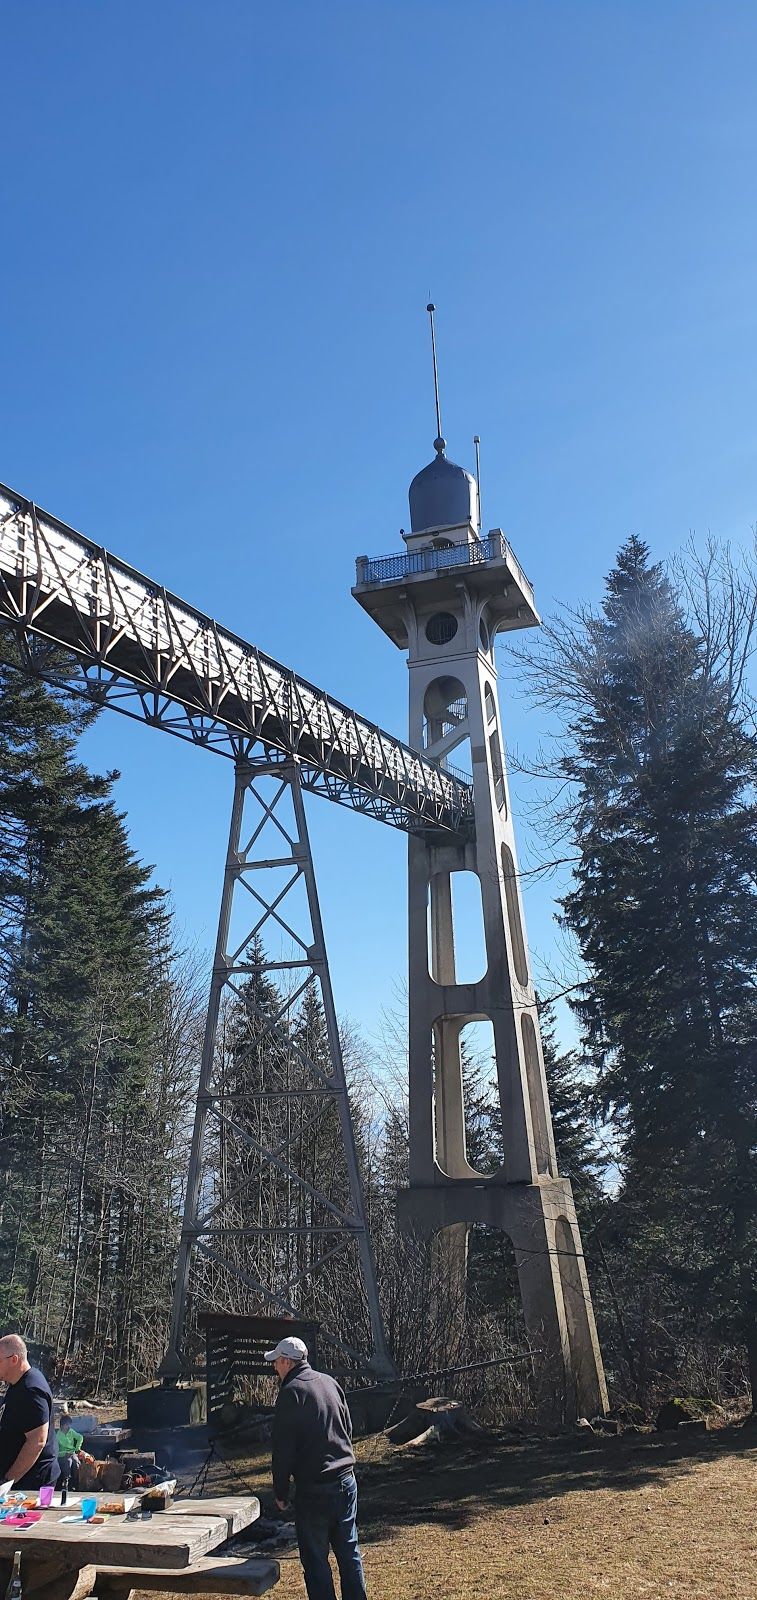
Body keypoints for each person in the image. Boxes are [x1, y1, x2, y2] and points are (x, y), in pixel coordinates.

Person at [266, 1335, 367, 1600]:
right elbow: (347, 1428)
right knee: (349, 1552)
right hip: (346, 1480)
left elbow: (283, 1450)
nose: (274, 1367)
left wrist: (280, 1492)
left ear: (287, 1362)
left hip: (314, 1489)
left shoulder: (291, 1392)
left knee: (315, 1560)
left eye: (276, 1361)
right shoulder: (330, 1382)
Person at [0, 1334, 59, 1489]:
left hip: (31, 1483)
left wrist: (7, 1481)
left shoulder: (31, 1390)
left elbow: (37, 1441)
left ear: (14, 1359)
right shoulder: (17, 1384)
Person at [55, 1409, 83, 1490]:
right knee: (68, 1462)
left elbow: (80, 1437)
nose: (68, 1426)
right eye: (67, 1424)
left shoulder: (71, 1431)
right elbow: (56, 1452)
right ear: (62, 1425)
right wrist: (64, 1453)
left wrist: (77, 1448)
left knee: (76, 1461)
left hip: (72, 1453)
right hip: (62, 1455)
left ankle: (76, 1482)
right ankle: (66, 1481)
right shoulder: (57, 1436)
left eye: (69, 1424)